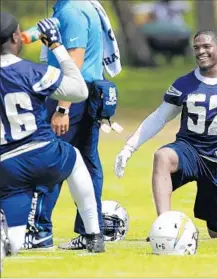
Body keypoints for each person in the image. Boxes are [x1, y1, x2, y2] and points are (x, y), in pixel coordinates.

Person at [114, 30, 217, 238]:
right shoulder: (184, 84)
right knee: (163, 157)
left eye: (206, 46)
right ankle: (164, 227)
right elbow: (160, 117)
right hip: (189, 150)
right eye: (196, 47)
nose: (201, 51)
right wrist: (129, 147)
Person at [0, 12, 105, 268]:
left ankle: (8, 240)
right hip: (42, 150)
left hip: (6, 165)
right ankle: (93, 233)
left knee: (13, 241)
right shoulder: (31, 71)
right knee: (76, 159)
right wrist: (57, 46)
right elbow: (79, 91)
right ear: (17, 37)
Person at [24, 0, 121, 250]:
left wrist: (62, 108)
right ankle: (92, 233)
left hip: (70, 97)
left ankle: (40, 231)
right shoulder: (78, 6)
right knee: (88, 165)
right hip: (87, 95)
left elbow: (74, 60)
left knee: (50, 160)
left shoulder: (72, 10)